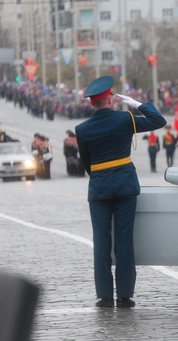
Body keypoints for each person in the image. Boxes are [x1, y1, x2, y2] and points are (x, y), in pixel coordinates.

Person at [75, 75, 166, 308]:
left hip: (99, 188)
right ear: (110, 100)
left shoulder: (82, 129)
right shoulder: (125, 119)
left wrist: (100, 176)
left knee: (101, 242)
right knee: (124, 241)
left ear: (91, 103)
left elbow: (87, 164)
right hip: (125, 185)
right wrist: (137, 104)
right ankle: (125, 295)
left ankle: (105, 296)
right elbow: (158, 120)